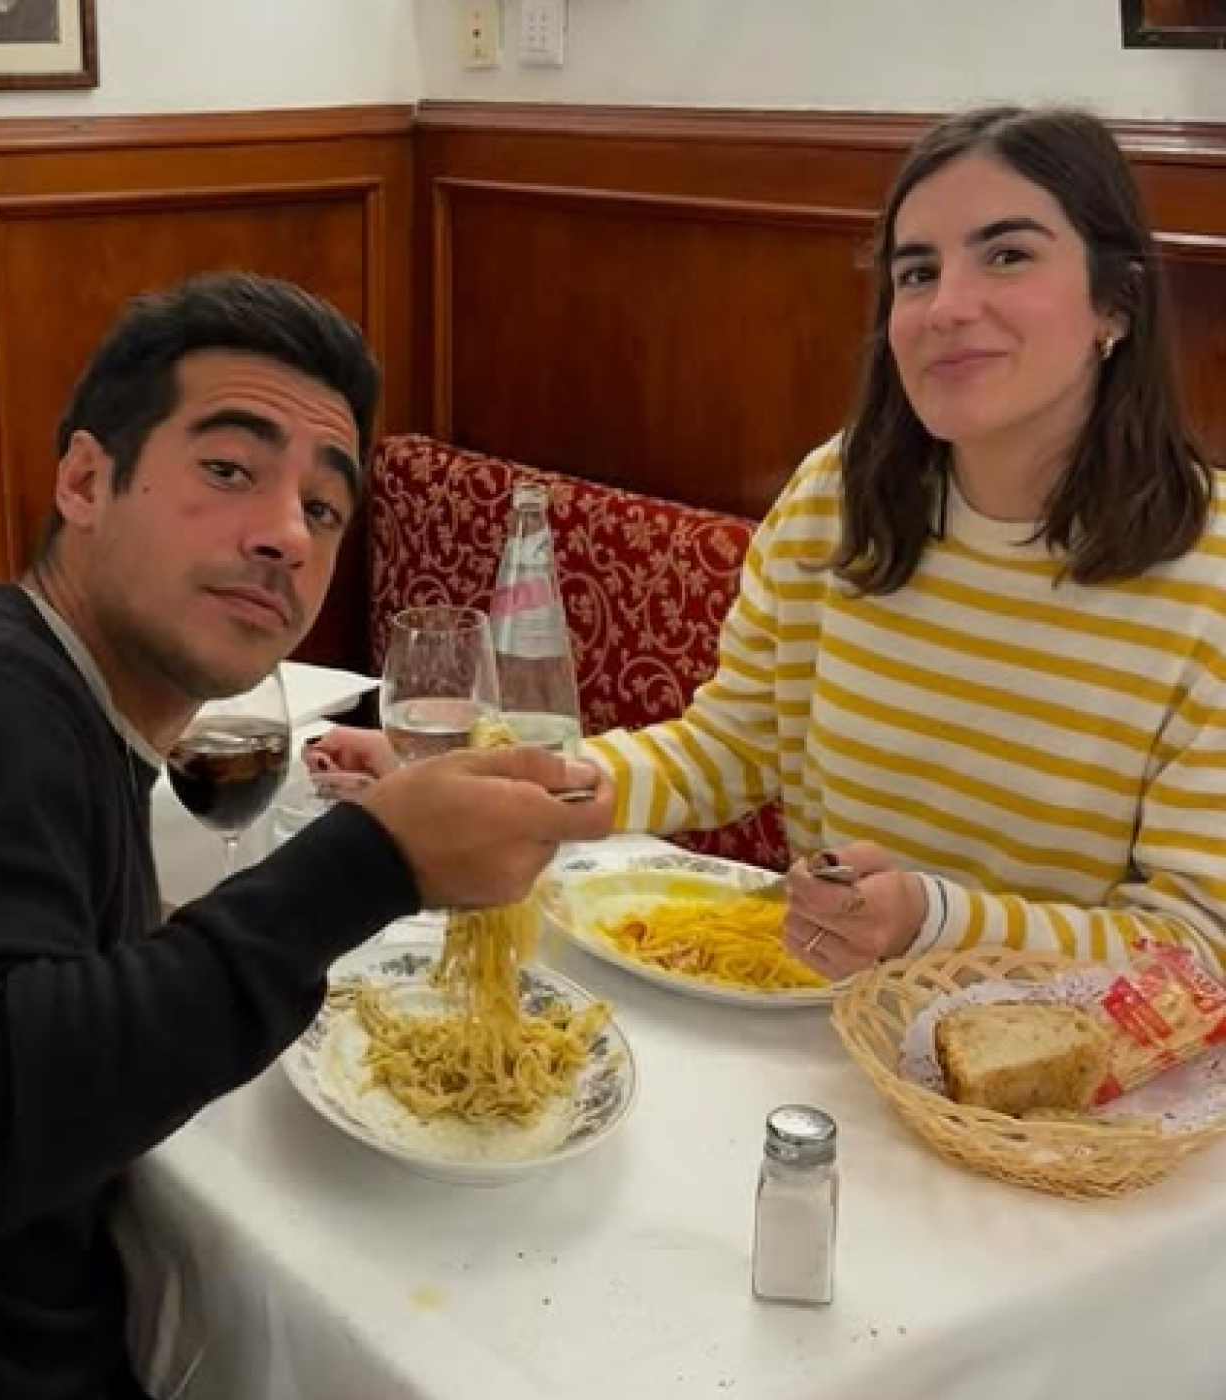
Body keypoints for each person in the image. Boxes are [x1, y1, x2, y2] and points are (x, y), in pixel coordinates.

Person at [0, 271, 612, 1400]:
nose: (281, 534)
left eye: (322, 507)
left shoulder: (36, 688)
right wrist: (366, 863)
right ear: (83, 475)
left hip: (44, 1385)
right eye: (231, 468)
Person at [314, 104, 1226, 984]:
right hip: (826, 1032)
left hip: (1081, 1109)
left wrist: (929, 920)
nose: (948, 306)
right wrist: (492, 783)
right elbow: (732, 751)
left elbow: (1195, 951)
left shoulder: (1210, 572)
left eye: (1008, 255)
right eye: (916, 272)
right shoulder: (837, 496)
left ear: (1117, 303)